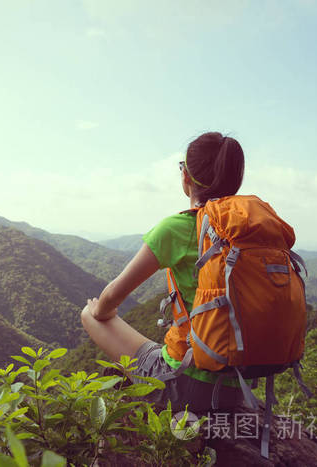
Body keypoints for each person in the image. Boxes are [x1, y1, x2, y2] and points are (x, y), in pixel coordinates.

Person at [80, 131, 246, 412]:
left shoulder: (176, 229)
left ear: (186, 178)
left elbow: (109, 299)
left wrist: (100, 310)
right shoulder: (249, 232)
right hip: (238, 389)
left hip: (184, 385)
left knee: (89, 315)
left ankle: (180, 420)